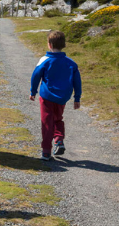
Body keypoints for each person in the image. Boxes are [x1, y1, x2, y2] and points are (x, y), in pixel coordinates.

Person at [29, 30, 82, 160]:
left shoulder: (45, 60)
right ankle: (58, 139)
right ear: (63, 44)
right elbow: (77, 81)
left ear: (50, 45)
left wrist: (33, 91)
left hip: (47, 96)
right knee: (58, 119)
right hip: (62, 97)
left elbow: (35, 76)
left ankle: (46, 151)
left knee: (47, 122)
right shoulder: (71, 63)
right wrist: (77, 98)